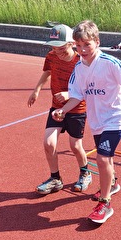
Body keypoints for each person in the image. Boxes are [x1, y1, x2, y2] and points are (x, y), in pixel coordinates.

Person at [52, 20, 121, 224]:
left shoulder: (110, 63)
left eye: (86, 45)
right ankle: (113, 183)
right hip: (97, 120)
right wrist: (62, 110)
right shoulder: (79, 69)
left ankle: (105, 203)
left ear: (97, 42)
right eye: (78, 46)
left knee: (102, 158)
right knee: (106, 157)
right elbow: (76, 96)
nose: (82, 50)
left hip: (115, 118)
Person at [29, 24, 92, 195]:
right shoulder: (51, 56)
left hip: (77, 109)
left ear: (72, 43)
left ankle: (85, 173)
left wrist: (68, 93)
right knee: (48, 143)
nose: (57, 51)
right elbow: (47, 72)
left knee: (75, 145)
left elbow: (87, 88)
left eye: (61, 48)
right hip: (56, 108)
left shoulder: (81, 61)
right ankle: (55, 178)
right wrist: (36, 90)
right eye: (53, 47)